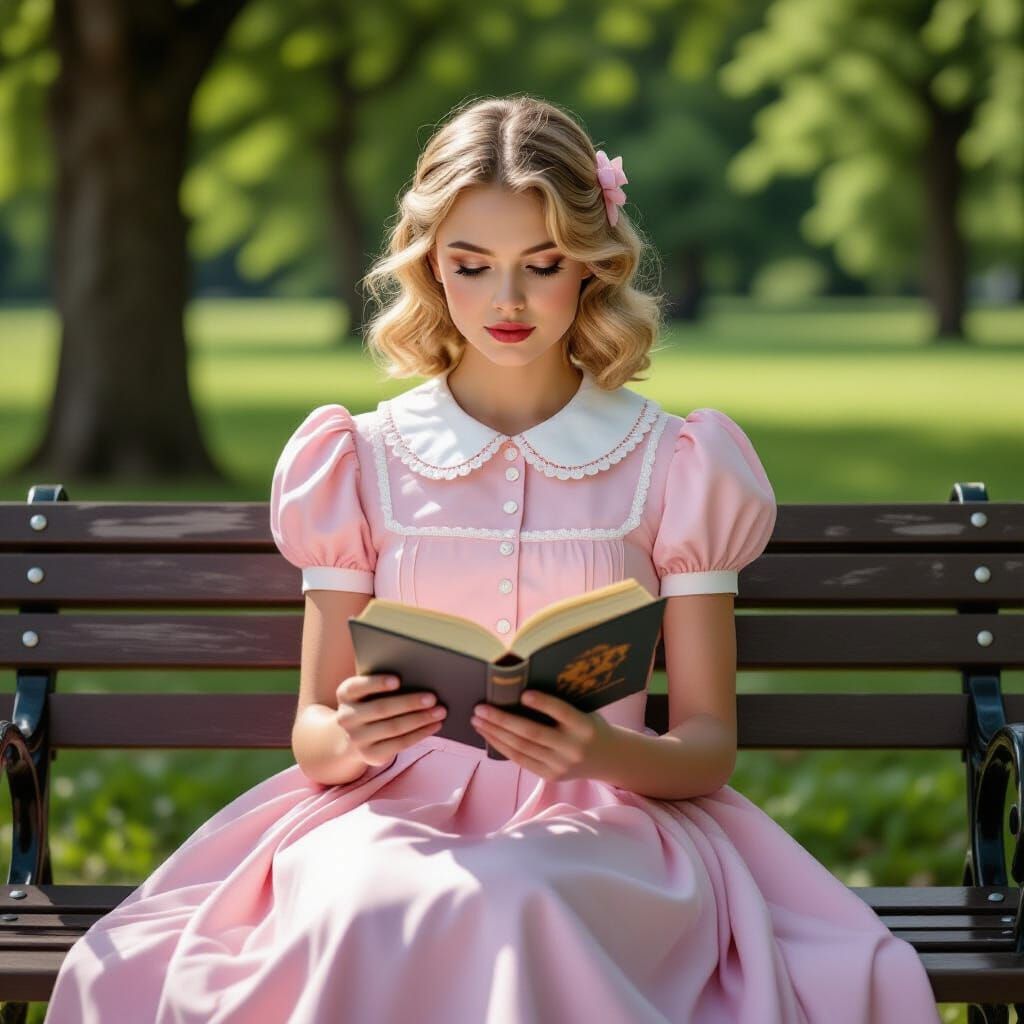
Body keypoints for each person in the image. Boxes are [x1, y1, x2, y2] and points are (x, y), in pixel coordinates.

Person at [43, 94, 941, 1023]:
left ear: (591, 267)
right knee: (371, 902)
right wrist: (352, 737)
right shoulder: (359, 458)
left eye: (541, 266)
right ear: (431, 266)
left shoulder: (674, 463)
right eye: (471, 266)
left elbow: (708, 748)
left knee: (519, 894)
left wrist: (605, 750)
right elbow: (313, 730)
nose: (506, 301)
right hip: (386, 815)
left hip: (606, 823)